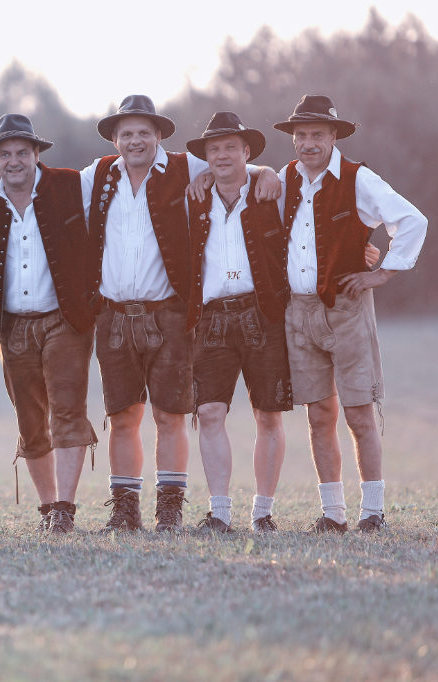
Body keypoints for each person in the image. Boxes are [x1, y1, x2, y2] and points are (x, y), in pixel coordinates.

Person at [82, 95, 282, 533]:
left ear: (158, 136)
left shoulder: (184, 167)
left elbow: (231, 168)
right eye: (127, 133)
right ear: (115, 139)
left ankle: (169, 509)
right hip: (113, 315)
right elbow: (42, 184)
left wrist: (265, 171)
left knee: (170, 415)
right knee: (121, 416)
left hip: (169, 312)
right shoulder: (96, 176)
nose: (135, 141)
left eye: (144, 132)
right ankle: (125, 509)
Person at [273, 95, 427, 533]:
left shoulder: (359, 180)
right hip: (297, 312)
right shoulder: (283, 181)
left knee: (359, 411)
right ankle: (333, 514)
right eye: (300, 136)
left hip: (346, 309)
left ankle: (373, 512)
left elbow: (412, 220)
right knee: (319, 414)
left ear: (333, 137)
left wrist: (383, 273)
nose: (307, 144)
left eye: (317, 135)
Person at [0, 114, 97, 533]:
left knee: (67, 411)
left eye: (23, 152)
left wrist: (254, 168)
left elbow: (126, 170)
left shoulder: (73, 186)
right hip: (12, 327)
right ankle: (46, 509)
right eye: (5, 154)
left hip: (65, 319)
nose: (15, 160)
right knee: (30, 420)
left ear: (37, 155)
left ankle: (65, 508)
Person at [183, 112, 292, 533]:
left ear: (247, 152)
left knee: (269, 414)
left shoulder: (272, 190)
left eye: (231, 147)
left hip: (262, 312)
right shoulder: (193, 197)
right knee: (209, 412)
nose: (222, 155)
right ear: (206, 158)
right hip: (210, 316)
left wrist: (267, 172)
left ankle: (263, 512)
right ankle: (220, 512)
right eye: (215, 149)